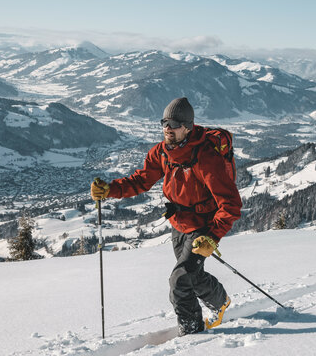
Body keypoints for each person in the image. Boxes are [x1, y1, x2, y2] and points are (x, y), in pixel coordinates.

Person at [91, 97, 242, 336]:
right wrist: (111, 190)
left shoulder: (206, 158)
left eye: (173, 123)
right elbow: (141, 180)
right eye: (164, 122)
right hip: (179, 224)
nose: (167, 128)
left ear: (188, 126)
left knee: (179, 281)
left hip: (203, 228)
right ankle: (220, 300)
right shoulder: (162, 153)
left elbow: (231, 203)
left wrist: (212, 236)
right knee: (192, 275)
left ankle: (191, 331)